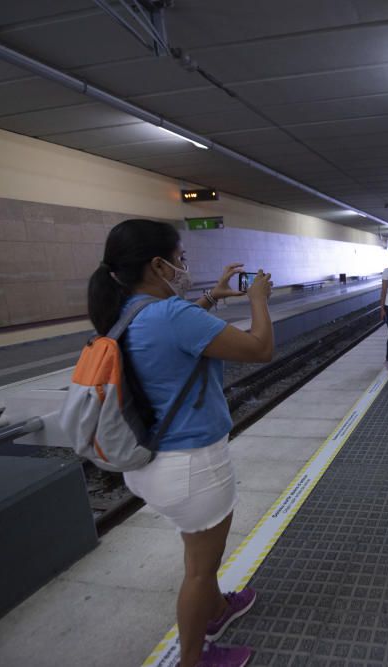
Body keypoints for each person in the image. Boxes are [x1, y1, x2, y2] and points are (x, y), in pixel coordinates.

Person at [88, 219, 274, 667]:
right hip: (192, 466)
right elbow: (259, 348)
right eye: (181, 258)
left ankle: (217, 608)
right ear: (159, 264)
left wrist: (211, 297)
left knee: (198, 549)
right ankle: (194, 656)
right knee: (200, 568)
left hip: (149, 463)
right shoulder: (172, 315)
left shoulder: (125, 312)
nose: (184, 266)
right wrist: (257, 300)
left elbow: (179, 336)